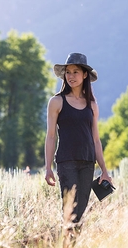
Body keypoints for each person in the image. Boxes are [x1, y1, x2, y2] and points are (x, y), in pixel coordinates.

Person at [45, 52, 112, 227]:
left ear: (84, 75)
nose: (71, 76)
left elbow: (96, 140)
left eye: (76, 72)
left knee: (80, 213)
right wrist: (48, 167)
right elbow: (51, 136)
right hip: (66, 162)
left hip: (88, 163)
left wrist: (104, 170)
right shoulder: (56, 102)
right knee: (70, 210)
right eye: (68, 72)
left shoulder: (92, 105)